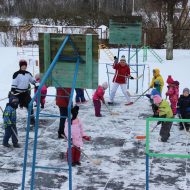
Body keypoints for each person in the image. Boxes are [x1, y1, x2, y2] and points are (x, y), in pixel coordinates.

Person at [11, 59, 37, 125]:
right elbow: (14, 83)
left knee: (30, 105)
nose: (24, 67)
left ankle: (32, 120)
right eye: (22, 65)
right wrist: (12, 91)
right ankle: (11, 120)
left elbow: (32, 80)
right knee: (13, 106)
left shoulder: (28, 74)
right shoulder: (16, 74)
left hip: (25, 93)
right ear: (20, 66)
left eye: (25, 65)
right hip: (17, 93)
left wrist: (36, 84)